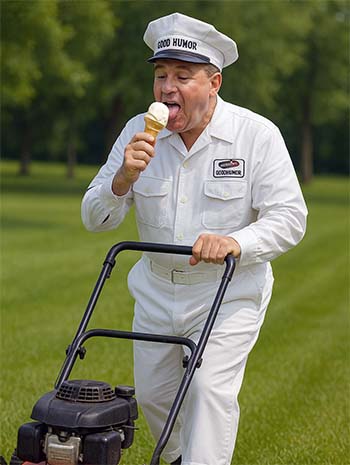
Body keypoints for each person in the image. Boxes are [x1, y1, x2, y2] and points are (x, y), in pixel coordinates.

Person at [81, 12, 307, 465]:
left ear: (214, 83)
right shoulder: (135, 132)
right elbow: (95, 218)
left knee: (207, 391)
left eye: (183, 76)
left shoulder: (256, 135)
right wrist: (122, 179)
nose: (167, 88)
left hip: (227, 293)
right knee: (154, 402)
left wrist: (236, 242)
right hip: (155, 292)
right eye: (161, 75)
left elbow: (290, 217)